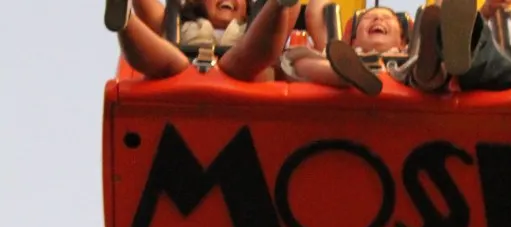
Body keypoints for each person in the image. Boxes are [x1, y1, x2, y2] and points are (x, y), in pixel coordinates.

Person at [104, 0, 301, 82]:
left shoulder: (256, 28)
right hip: (179, 75)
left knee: (242, 60)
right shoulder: (178, 22)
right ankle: (124, 21)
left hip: (243, 75)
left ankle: (277, 5)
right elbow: (146, 8)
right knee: (171, 61)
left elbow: (286, 23)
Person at [280, 1, 423, 96]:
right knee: (296, 61)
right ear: (353, 40)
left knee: (423, 63)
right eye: (368, 18)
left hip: (406, 75)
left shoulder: (408, 53)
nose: (378, 19)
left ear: (402, 41)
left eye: (387, 18)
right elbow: (314, 13)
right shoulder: (345, 54)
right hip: (347, 67)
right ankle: (343, 75)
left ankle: (428, 75)